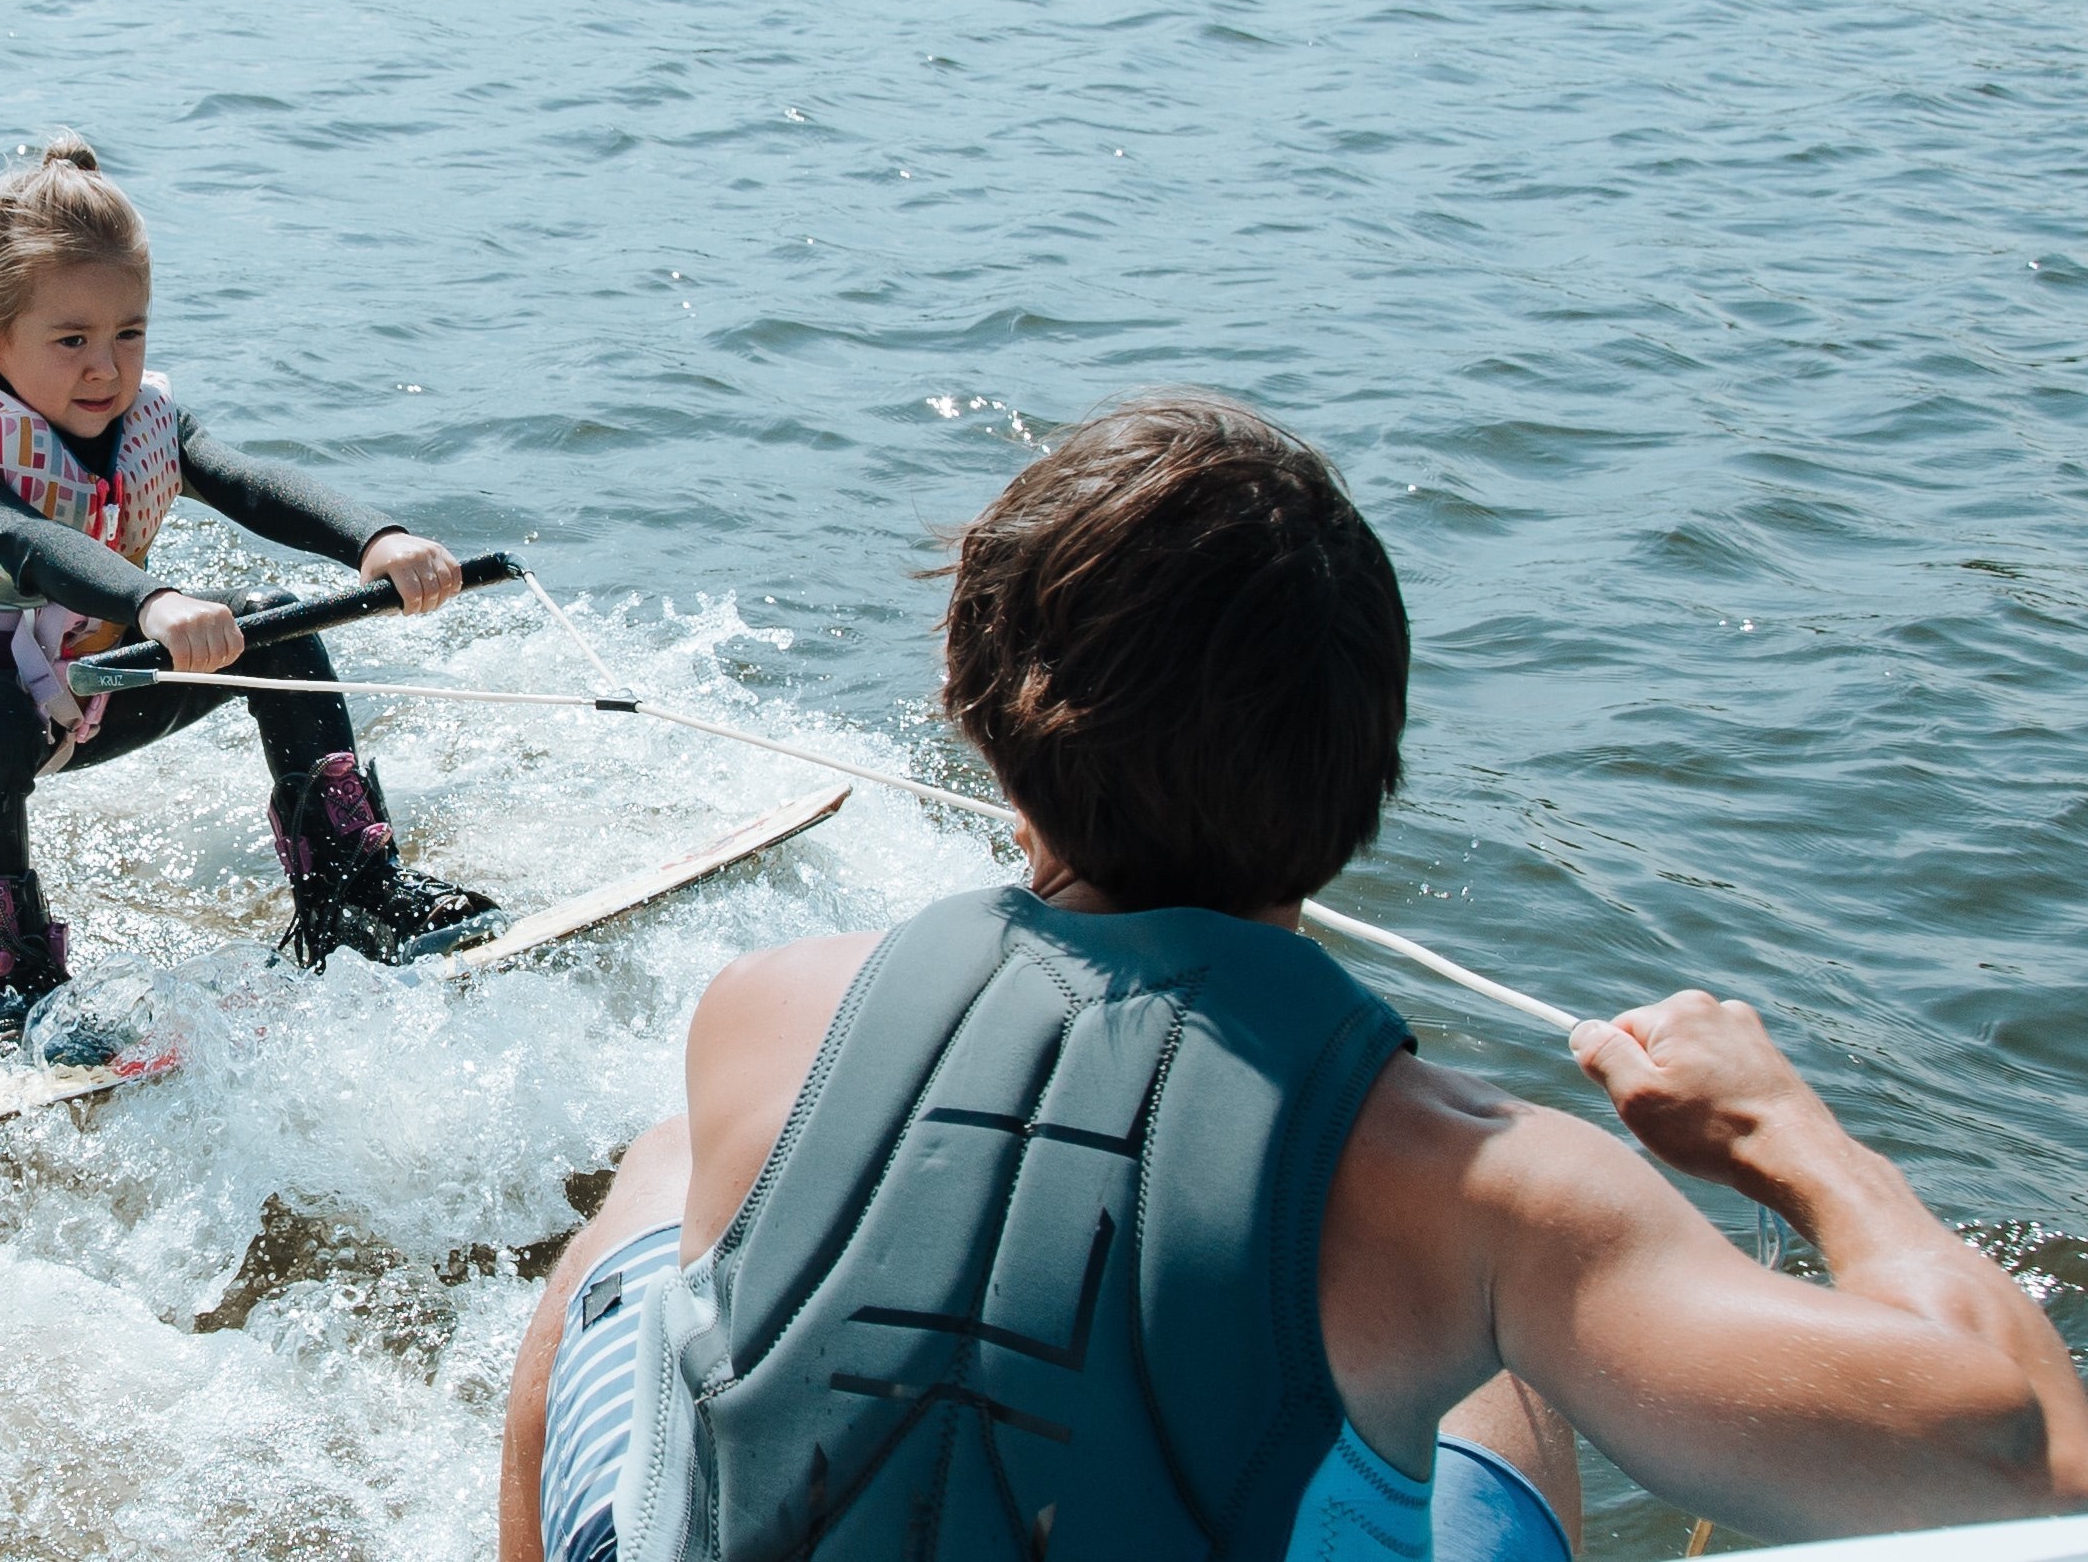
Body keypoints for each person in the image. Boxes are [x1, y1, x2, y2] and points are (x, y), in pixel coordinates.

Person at [501, 394, 2087, 1562]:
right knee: (1482, 1376)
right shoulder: (1492, 1191)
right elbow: (2019, 1459)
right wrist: (1797, 1143)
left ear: (973, 712)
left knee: (651, 1206)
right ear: (1368, 761)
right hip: (1452, 1267)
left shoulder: (770, 1005)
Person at [0, 136, 501, 1033]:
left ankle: (352, 890)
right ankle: (8, 981)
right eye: (72, 338)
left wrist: (377, 540)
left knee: (275, 628)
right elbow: (31, 542)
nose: (106, 367)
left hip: (95, 683)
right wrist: (154, 602)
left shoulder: (145, 420)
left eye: (130, 333)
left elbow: (247, 482)